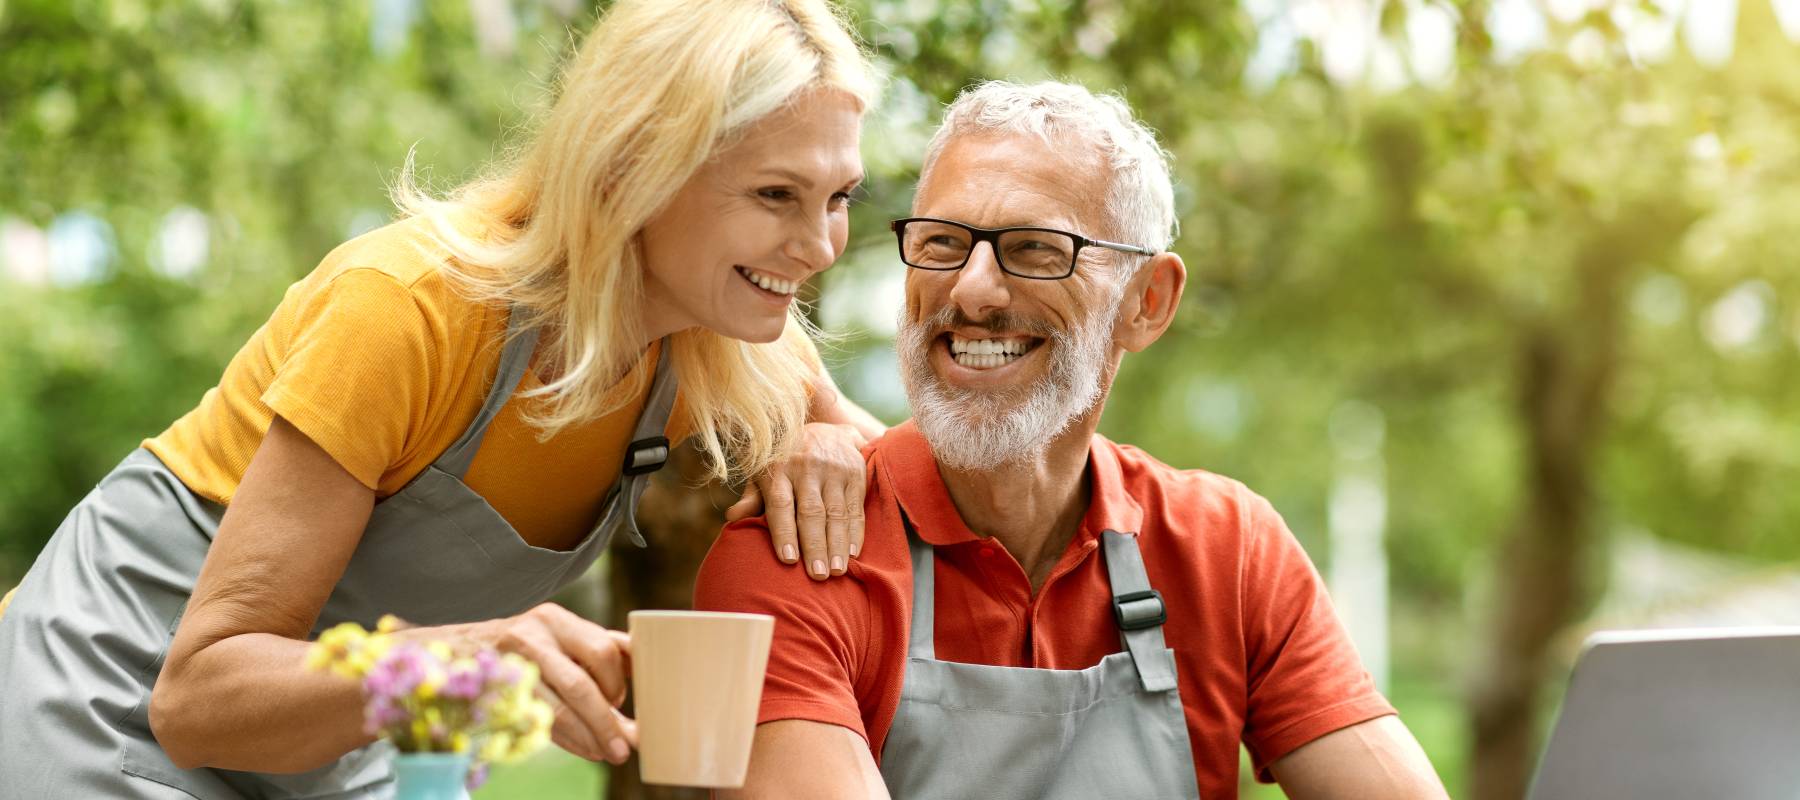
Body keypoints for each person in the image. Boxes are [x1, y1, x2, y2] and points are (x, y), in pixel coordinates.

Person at [0, 0, 883, 796]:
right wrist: (472, 653)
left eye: (838, 197)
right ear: (633, 162)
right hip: (117, 687)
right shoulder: (408, 309)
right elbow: (196, 701)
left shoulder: (730, 331)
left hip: (338, 744)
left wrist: (826, 440)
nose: (819, 245)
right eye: (776, 194)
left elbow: (881, 463)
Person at [695, 80, 1450, 799]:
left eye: (1034, 250)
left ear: (1146, 302)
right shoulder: (798, 559)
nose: (971, 290)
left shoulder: (1229, 551)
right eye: (941, 242)